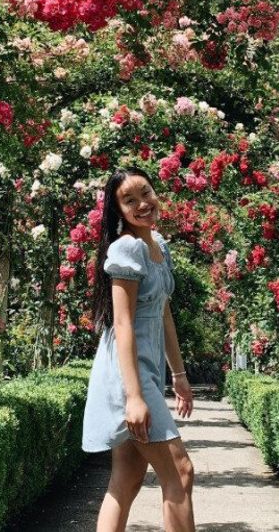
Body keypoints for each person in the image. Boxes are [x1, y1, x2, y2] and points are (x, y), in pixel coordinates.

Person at [82, 167, 196, 532]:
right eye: (129, 200)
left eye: (145, 193)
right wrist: (134, 396)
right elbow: (124, 323)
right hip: (126, 376)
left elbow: (163, 314)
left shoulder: (157, 245)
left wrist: (178, 375)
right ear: (118, 211)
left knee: (127, 479)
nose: (142, 204)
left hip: (145, 372)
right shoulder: (126, 247)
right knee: (180, 471)